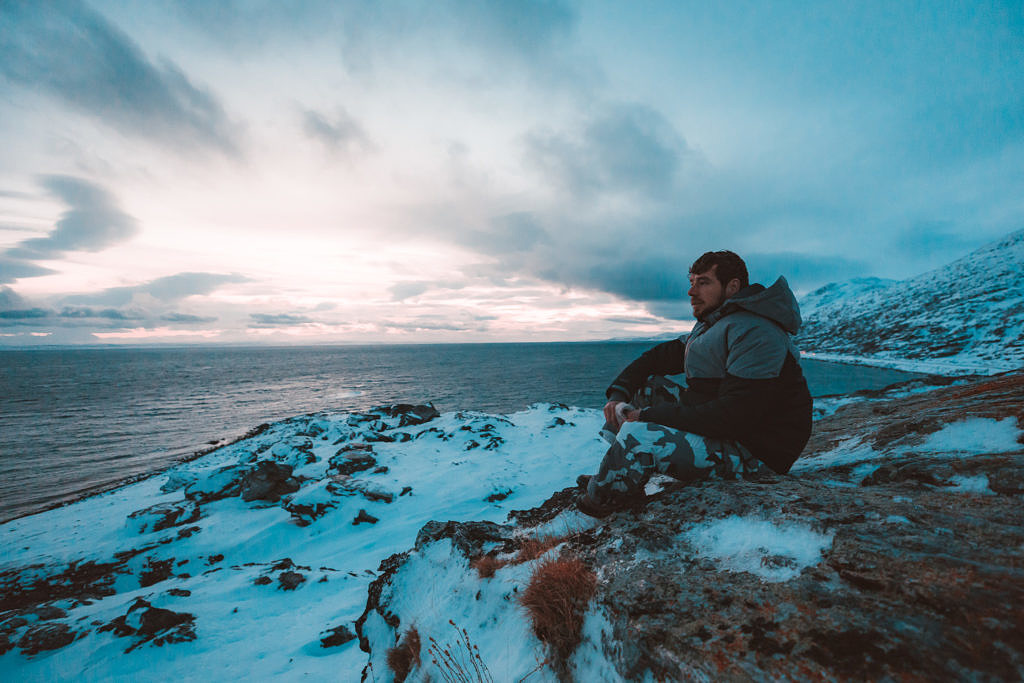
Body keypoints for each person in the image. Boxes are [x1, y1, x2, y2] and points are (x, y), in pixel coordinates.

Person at [578, 250, 813, 518]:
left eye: (703, 282)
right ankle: (616, 473)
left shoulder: (756, 333)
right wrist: (618, 396)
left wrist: (645, 417)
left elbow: (733, 416)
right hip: (729, 433)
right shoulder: (715, 325)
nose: (691, 291)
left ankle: (602, 500)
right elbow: (653, 360)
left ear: (732, 287)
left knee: (640, 435)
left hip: (755, 454)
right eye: (691, 282)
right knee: (645, 389)